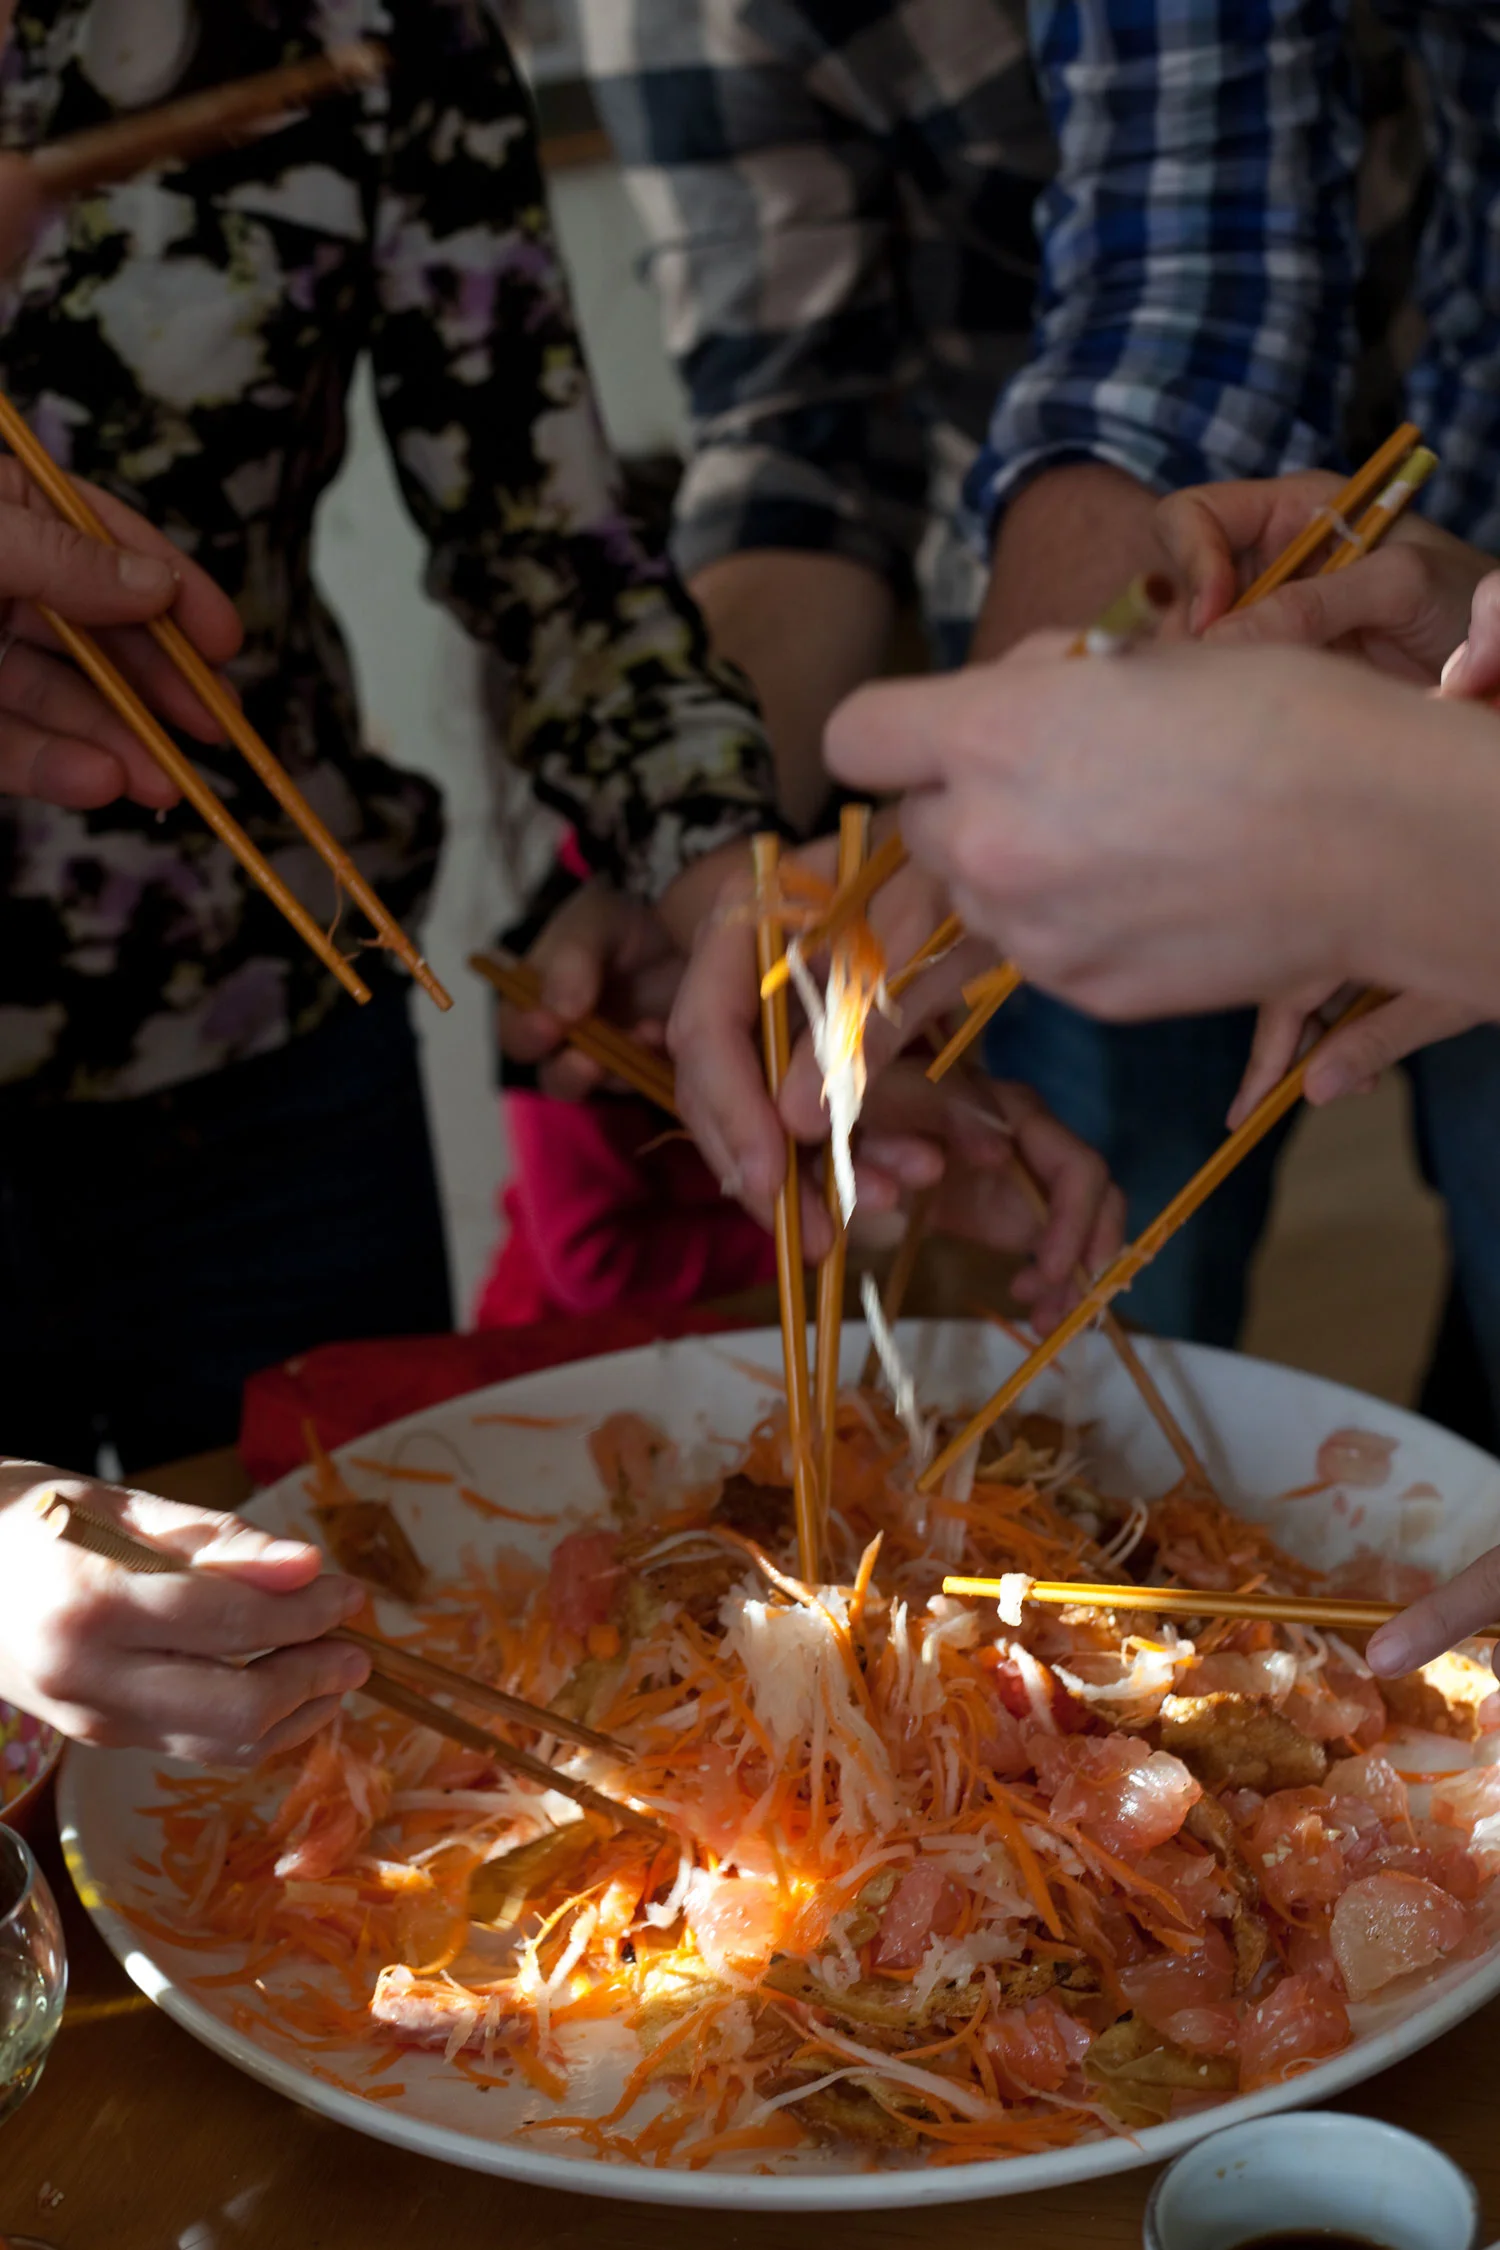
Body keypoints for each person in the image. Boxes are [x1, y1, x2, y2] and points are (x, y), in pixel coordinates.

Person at [556, 0, 1449, 1368]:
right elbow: (800, 446)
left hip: (1427, 585)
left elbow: (1198, 269)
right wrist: (694, 832)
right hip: (1120, 620)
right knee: (1108, 1289)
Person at [0, 0, 782, 1476]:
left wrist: (726, 866)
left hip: (273, 1055)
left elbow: (549, 543)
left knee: (361, 1646)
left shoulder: (357, 22)